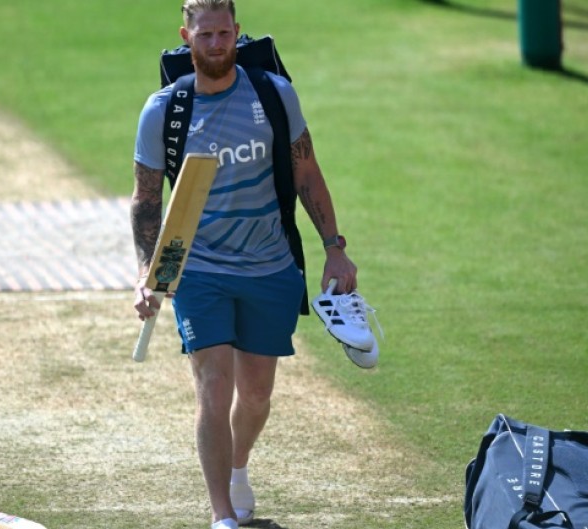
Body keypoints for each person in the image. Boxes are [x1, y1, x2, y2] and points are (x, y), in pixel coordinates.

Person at [130, 1, 358, 527]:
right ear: (185, 35)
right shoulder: (164, 110)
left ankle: (237, 467)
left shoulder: (273, 95)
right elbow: (146, 199)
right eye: (204, 35)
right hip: (199, 269)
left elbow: (306, 172)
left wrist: (334, 246)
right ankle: (222, 516)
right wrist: (146, 271)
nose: (215, 45)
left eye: (224, 33)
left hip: (270, 265)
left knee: (256, 395)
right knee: (215, 386)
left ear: (237, 32)